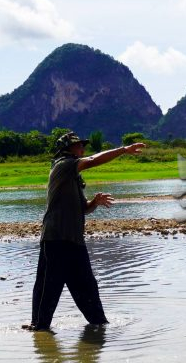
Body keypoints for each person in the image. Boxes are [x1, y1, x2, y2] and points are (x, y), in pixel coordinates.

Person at [29, 132, 145, 331]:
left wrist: (95, 202)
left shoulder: (72, 175)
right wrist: (124, 150)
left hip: (73, 240)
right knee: (50, 286)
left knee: (87, 285)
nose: (82, 148)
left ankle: (98, 325)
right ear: (67, 149)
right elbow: (92, 160)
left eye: (82, 145)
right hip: (57, 238)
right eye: (78, 145)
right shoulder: (63, 165)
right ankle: (39, 328)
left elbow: (84, 209)